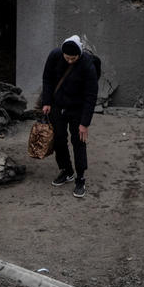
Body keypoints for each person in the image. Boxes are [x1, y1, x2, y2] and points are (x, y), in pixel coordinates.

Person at [41, 35, 99, 198]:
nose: (70, 61)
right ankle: (66, 170)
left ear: (79, 55)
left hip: (77, 108)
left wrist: (84, 123)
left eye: (73, 58)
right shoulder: (55, 55)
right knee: (59, 139)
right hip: (57, 106)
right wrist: (46, 102)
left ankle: (80, 178)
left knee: (78, 141)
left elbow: (91, 95)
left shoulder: (87, 64)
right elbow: (47, 79)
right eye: (67, 58)